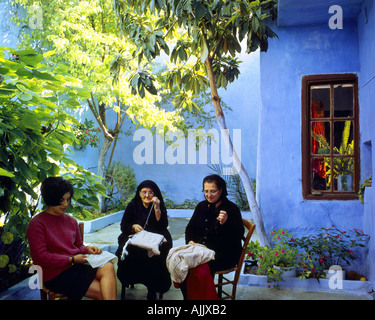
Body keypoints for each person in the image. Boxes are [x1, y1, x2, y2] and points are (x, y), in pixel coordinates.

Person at [26, 177, 117, 300]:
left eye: (68, 199)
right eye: (61, 200)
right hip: (54, 274)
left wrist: (88, 249)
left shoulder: (71, 221)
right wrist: (71, 259)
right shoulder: (37, 224)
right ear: (50, 199)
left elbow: (79, 245)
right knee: (105, 292)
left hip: (74, 266)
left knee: (108, 267)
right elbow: (41, 257)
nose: (65, 204)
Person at [181, 174, 244, 299]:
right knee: (181, 264)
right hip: (202, 250)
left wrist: (226, 223)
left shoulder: (231, 209)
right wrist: (191, 241)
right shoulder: (201, 206)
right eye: (206, 191)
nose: (208, 195)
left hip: (225, 253)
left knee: (198, 269)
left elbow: (238, 235)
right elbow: (190, 228)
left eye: (213, 191)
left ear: (221, 190)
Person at [116, 180, 172, 300]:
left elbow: (162, 225)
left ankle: (152, 287)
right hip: (136, 236)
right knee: (130, 250)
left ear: (155, 194)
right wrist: (133, 227)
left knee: (156, 253)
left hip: (155, 235)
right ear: (139, 193)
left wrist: (157, 208)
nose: (147, 195)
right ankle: (130, 278)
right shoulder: (133, 205)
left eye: (150, 192)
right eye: (144, 192)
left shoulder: (159, 204)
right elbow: (124, 225)